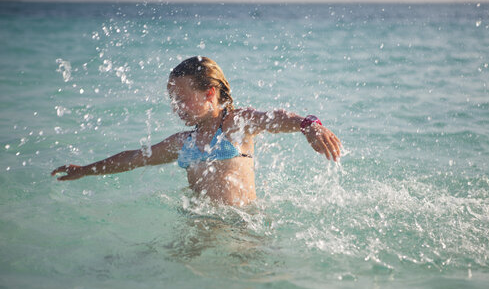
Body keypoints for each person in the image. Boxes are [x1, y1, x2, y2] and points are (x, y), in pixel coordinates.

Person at [52, 56, 342, 206]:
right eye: (172, 100)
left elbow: (275, 117)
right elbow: (134, 158)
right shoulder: (184, 141)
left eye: (181, 98)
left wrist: (309, 125)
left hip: (240, 222)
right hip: (199, 221)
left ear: (209, 93)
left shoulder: (236, 123)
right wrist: (85, 170)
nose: (176, 106)